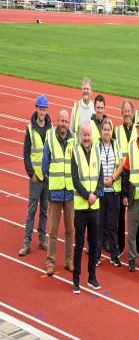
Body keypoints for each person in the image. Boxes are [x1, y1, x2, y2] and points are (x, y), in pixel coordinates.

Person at [71, 123, 103, 294]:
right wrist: (87, 195)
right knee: (79, 244)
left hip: (94, 206)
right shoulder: (75, 153)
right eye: (84, 135)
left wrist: (96, 194)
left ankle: (92, 277)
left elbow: (101, 177)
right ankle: (76, 279)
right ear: (80, 136)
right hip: (81, 207)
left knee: (94, 243)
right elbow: (75, 180)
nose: (86, 138)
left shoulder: (97, 153)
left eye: (88, 135)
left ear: (92, 136)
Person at [19, 94, 52, 257]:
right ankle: (26, 242)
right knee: (32, 210)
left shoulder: (51, 128)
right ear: (36, 108)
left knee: (45, 210)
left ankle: (41, 239)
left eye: (44, 108)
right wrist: (30, 173)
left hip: (47, 177)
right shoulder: (30, 128)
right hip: (35, 178)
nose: (42, 111)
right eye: (40, 108)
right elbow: (26, 153)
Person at [42, 109, 74, 276]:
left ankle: (69, 261)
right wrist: (52, 182)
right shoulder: (50, 138)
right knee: (53, 230)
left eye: (66, 122)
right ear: (57, 121)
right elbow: (44, 165)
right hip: (55, 192)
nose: (64, 124)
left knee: (70, 230)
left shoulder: (73, 140)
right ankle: (50, 262)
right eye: (62, 121)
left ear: (69, 123)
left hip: (69, 192)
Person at [121, 116, 139, 272]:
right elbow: (125, 172)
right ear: (137, 130)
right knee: (132, 232)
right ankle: (132, 258)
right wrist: (124, 195)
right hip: (133, 197)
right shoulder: (131, 147)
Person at [96, 119, 124, 267]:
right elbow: (93, 166)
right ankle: (97, 256)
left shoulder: (116, 144)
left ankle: (114, 255)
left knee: (113, 225)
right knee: (99, 226)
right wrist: (102, 182)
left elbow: (121, 165)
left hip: (113, 192)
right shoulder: (96, 146)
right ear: (101, 131)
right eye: (104, 129)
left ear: (112, 131)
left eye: (109, 129)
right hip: (100, 192)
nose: (106, 132)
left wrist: (112, 179)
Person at [115, 99, 137, 255]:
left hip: (134, 178)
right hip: (121, 177)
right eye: (125, 111)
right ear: (122, 113)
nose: (127, 113)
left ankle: (136, 247)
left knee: (137, 216)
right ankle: (121, 245)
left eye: (129, 111)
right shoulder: (117, 131)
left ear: (133, 112)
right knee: (120, 216)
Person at [70, 77, 94, 142]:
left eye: (87, 89)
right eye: (84, 89)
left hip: (93, 149)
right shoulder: (75, 108)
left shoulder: (95, 108)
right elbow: (71, 130)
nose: (85, 91)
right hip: (78, 148)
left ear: (91, 91)